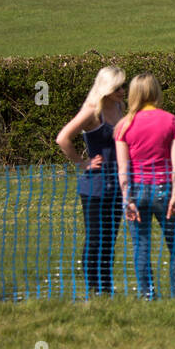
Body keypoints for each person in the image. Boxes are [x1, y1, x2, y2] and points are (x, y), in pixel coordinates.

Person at [55, 66, 126, 296]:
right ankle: (93, 288)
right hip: (95, 186)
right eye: (118, 87)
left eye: (123, 86)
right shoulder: (91, 112)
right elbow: (63, 138)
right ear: (106, 88)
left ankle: (106, 288)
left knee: (110, 238)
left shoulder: (119, 107)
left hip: (117, 182)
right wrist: (81, 163)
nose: (123, 91)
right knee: (96, 238)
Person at [115, 73, 175, 299]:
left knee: (141, 245)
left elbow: (123, 169)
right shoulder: (171, 120)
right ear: (156, 91)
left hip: (136, 189)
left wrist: (127, 200)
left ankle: (147, 294)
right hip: (164, 187)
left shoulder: (123, 125)